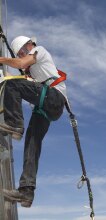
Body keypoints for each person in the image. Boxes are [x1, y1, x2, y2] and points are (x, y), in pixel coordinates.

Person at [0, 36, 68, 207]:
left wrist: (2, 59)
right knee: (32, 144)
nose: (22, 54)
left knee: (12, 85)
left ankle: (15, 124)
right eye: (20, 53)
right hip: (46, 109)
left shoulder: (40, 51)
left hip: (54, 98)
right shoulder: (32, 73)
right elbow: (21, 80)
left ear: (30, 45)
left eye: (23, 51)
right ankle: (26, 192)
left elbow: (21, 65)